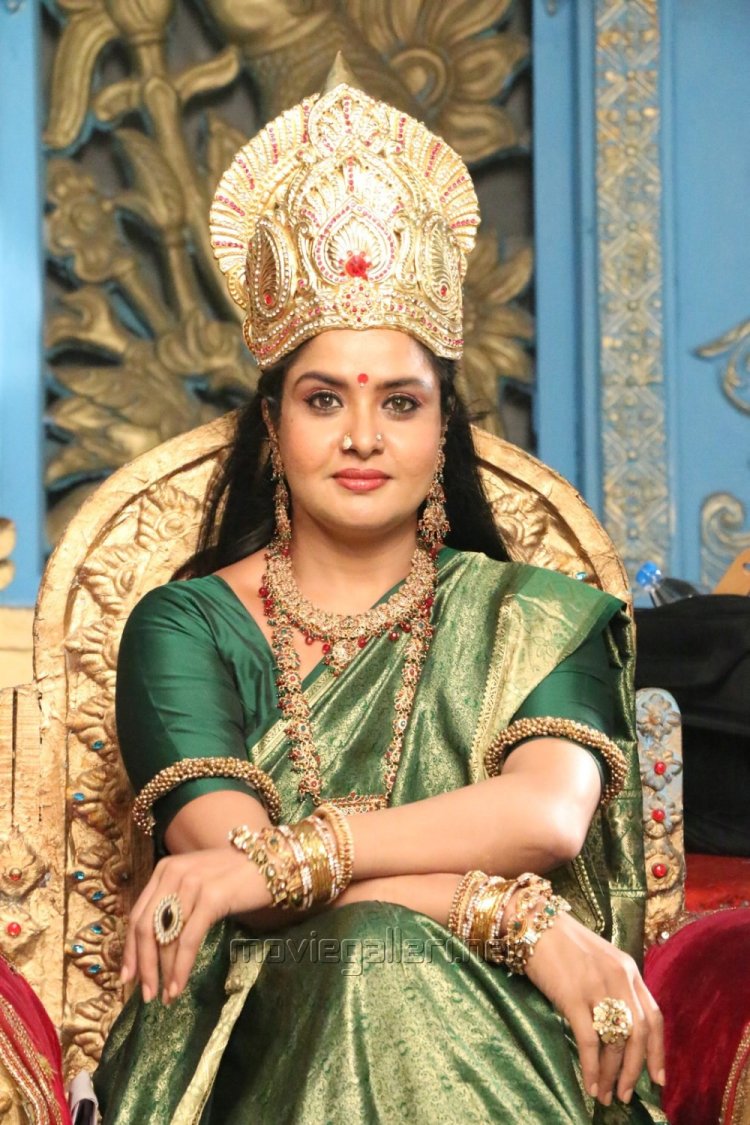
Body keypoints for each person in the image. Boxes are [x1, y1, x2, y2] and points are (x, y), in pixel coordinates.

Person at [93, 59, 667, 1124]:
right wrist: (523, 921)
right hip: (253, 1024)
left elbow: (546, 815)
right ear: (274, 429)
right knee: (367, 953)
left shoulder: (541, 616)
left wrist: (307, 864)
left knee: (385, 950)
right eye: (324, 399)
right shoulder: (186, 626)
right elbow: (234, 875)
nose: (362, 435)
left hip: (497, 1021)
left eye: (400, 402)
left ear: (444, 429)